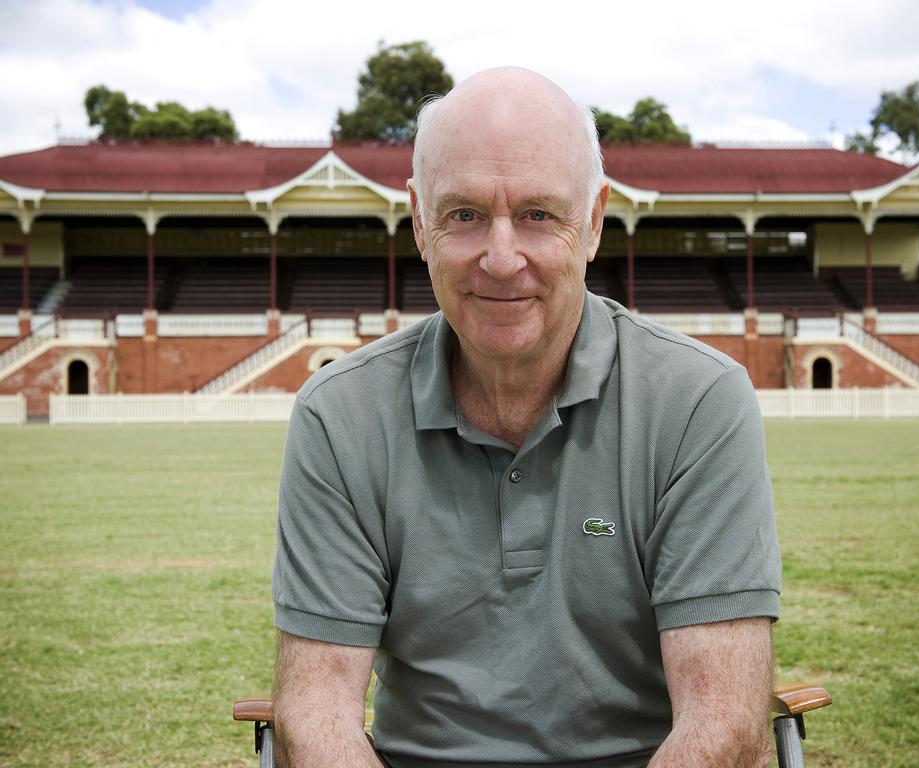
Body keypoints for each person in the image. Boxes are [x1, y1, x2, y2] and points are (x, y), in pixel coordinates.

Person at [271, 67, 781, 768]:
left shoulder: (698, 402)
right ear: (419, 221)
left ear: (596, 219)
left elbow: (723, 723)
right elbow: (316, 712)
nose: (502, 258)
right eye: (465, 215)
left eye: (539, 214)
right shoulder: (338, 416)